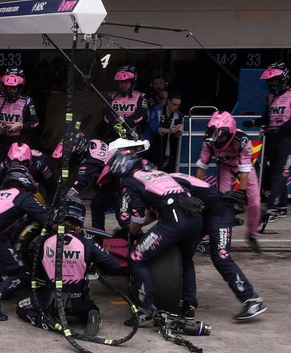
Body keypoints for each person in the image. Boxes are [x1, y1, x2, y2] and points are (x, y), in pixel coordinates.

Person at [100, 150, 203, 327]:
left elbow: (138, 217)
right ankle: (189, 305)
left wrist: (131, 234)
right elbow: (155, 212)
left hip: (174, 220)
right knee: (186, 260)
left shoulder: (130, 182)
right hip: (195, 218)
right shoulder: (157, 173)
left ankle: (145, 308)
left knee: (136, 257)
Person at [16, 196, 120, 336]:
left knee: (21, 306)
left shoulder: (42, 241)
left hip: (51, 302)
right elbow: (114, 265)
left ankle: (47, 321)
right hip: (79, 303)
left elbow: (37, 272)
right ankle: (92, 314)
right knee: (90, 306)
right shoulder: (88, 243)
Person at [170, 173, 266, 321]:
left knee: (221, 256)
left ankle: (252, 300)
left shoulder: (169, 183)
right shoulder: (165, 179)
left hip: (219, 212)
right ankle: (188, 304)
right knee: (185, 253)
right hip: (201, 213)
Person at [0, 167, 49, 322]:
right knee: (22, 272)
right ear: (25, 181)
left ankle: (1, 285)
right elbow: (45, 217)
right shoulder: (22, 196)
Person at [195, 110, 262, 253]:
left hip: (244, 166)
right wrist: (195, 191)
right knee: (222, 202)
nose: (217, 141)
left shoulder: (242, 140)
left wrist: (241, 194)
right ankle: (213, 236)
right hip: (225, 166)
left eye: (220, 137)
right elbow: (202, 167)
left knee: (255, 202)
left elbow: (245, 171)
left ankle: (252, 234)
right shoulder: (209, 141)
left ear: (229, 132)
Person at [257, 62, 291, 219]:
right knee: (274, 173)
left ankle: (271, 208)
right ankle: (282, 206)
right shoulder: (270, 98)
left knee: (279, 173)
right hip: (272, 139)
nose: (272, 84)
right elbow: (267, 117)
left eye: (275, 81)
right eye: (270, 82)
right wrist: (255, 122)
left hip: (287, 140)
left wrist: (285, 126)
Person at [0, 67, 39, 160]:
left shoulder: (27, 101)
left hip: (18, 144)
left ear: (20, 86)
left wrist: (21, 126)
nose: (11, 90)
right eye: (9, 87)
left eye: (14, 87)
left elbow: (35, 122)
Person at [103, 65, 149, 142]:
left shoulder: (141, 96)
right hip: (113, 133)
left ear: (132, 82)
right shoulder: (111, 96)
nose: (123, 85)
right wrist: (113, 124)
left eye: (126, 82)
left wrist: (128, 122)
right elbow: (106, 114)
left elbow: (141, 115)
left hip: (133, 134)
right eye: (121, 82)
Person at [157, 94, 184, 172]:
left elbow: (179, 134)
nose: (175, 107)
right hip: (155, 142)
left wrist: (180, 130)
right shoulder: (157, 110)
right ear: (168, 101)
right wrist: (169, 130)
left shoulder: (179, 115)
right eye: (173, 104)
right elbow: (153, 128)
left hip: (169, 144)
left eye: (177, 105)